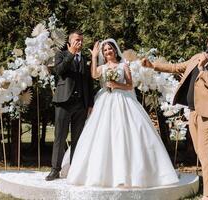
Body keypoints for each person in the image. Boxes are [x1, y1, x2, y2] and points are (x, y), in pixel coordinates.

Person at [66, 38, 179, 187]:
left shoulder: (123, 65)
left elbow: (130, 85)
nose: (108, 52)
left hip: (123, 100)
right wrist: (94, 56)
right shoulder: (103, 67)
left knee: (128, 131)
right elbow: (94, 75)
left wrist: (116, 85)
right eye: (105, 50)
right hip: (105, 100)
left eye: (110, 49)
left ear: (115, 50)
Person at [141, 29, 208, 200]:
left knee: (206, 156)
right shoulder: (197, 56)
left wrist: (202, 68)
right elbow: (176, 67)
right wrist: (153, 65)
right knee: (202, 153)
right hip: (193, 110)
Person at [45, 30, 94, 181]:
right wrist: (71, 53)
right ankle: (55, 170)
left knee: (78, 139)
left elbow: (89, 83)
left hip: (81, 104)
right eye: (77, 40)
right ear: (70, 42)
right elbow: (59, 71)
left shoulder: (85, 59)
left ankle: (75, 169)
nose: (80, 43)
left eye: (81, 40)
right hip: (63, 102)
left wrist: (90, 104)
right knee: (60, 137)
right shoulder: (61, 55)